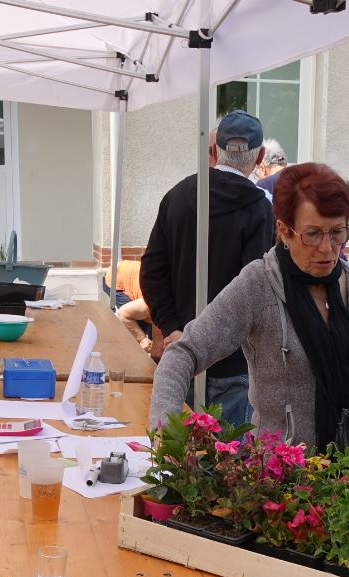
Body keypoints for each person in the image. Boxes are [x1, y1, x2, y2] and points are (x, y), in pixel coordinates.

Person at [148, 162, 349, 448]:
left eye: (337, 232)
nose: (326, 248)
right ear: (284, 231)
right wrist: (165, 435)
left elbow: (347, 365)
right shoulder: (258, 285)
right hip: (282, 475)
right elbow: (183, 353)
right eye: (312, 233)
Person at [140, 110, 274, 425]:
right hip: (233, 364)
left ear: (213, 151)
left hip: (182, 356)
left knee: (177, 463)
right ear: (260, 157)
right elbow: (254, 292)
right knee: (226, 467)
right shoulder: (260, 209)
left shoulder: (179, 195)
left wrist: (173, 328)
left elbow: (152, 271)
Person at [107, 260, 155, 353]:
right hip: (116, 277)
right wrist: (142, 340)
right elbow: (124, 314)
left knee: (152, 332)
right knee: (137, 327)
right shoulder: (148, 304)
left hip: (133, 272)